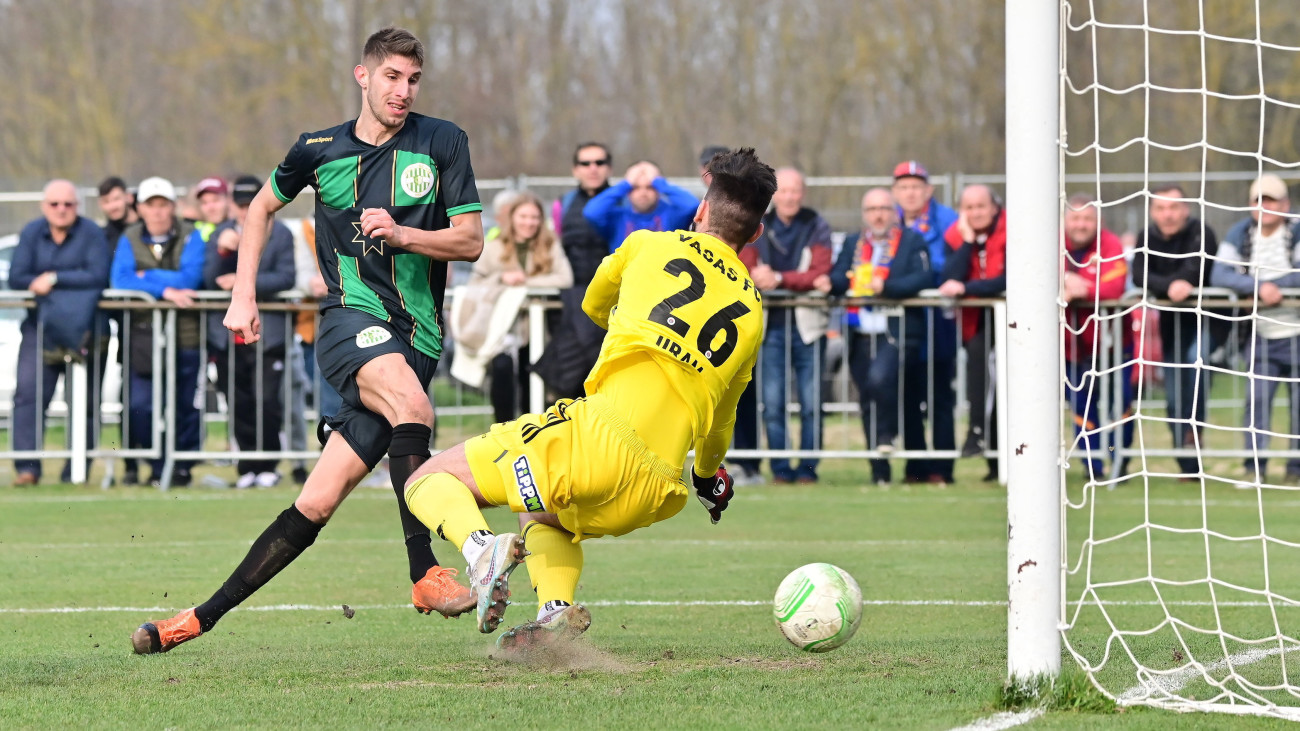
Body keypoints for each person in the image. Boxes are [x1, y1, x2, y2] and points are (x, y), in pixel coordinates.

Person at [131, 28, 484, 654]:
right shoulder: (318, 148)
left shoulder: (443, 142)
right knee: (416, 410)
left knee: (315, 504)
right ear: (363, 77)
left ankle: (193, 619)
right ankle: (424, 571)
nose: (402, 91)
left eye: (413, 80)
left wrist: (403, 235)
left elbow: (470, 241)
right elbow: (260, 208)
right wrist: (242, 296)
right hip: (349, 319)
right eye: (392, 78)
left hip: (418, 338)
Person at [402, 147, 776, 648]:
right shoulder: (752, 311)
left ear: (701, 210)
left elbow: (594, 303)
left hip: (599, 436)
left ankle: (479, 550)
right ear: (755, 234)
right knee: (543, 513)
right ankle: (555, 611)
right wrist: (707, 479)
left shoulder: (648, 244)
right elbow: (721, 420)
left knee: (426, 479)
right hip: (657, 487)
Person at [815, 188, 932, 485]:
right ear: (864, 214)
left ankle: (887, 437)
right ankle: (879, 472)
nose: (878, 214)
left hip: (896, 332)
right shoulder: (854, 242)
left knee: (882, 381)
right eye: (871, 209)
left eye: (883, 208)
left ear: (894, 212)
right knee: (867, 398)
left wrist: (886, 286)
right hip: (859, 331)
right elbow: (841, 275)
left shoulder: (911, 240)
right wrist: (831, 282)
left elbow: (923, 277)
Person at [9, 180, 111, 485]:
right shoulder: (31, 232)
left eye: (67, 204)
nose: (61, 210)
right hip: (40, 329)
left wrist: (52, 278)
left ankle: (76, 472)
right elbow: (17, 276)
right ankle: (27, 468)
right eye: (54, 204)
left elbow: (97, 275)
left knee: (86, 403)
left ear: (77, 206)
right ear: (44, 206)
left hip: (86, 330)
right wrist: (66, 281)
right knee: (28, 396)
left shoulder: (92, 233)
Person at [110, 176, 205, 488]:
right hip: (143, 337)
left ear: (172, 207)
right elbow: (121, 280)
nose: (158, 212)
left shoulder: (191, 234)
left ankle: (181, 468)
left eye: (163, 204)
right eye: (151, 205)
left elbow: (190, 278)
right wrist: (165, 288)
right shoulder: (129, 236)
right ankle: (154, 465)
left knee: (182, 406)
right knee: (142, 405)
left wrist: (146, 275)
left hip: (185, 337)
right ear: (140, 208)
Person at [740, 167, 832, 484]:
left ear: (803, 193)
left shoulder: (816, 224)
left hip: (809, 325)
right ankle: (780, 468)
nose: (790, 197)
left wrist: (779, 279)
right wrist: (800, 281)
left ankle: (808, 469)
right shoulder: (757, 224)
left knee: (811, 403)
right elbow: (748, 267)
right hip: (769, 327)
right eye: (784, 190)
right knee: (774, 403)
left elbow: (821, 273)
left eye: (795, 190)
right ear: (773, 194)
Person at [204, 175, 297, 488]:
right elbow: (206, 280)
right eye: (240, 205)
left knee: (267, 400)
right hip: (229, 336)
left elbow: (286, 278)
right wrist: (221, 253)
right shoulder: (221, 233)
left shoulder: (281, 234)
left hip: (267, 332)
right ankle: (247, 467)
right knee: (238, 401)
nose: (245, 211)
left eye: (250, 204)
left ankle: (268, 463)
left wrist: (243, 283)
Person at [1211, 174, 1300, 481]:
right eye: (1259, 200)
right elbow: (1219, 274)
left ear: (1285, 203)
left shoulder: (1296, 231)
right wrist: (1258, 287)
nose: (1265, 206)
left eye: (1272, 200)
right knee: (1257, 403)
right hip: (1260, 335)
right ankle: (1254, 468)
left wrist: (1277, 287)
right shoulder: (1240, 233)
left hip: (1296, 333)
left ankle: (1295, 469)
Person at [1131, 183, 1218, 477]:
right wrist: (1170, 286)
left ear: (1186, 209)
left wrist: (1185, 281)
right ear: (1152, 211)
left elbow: (1199, 268)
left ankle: (1195, 445)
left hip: (1207, 321)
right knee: (1173, 395)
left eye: (1173, 207)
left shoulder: (1201, 232)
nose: (1167, 215)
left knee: (1196, 372)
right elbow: (1140, 274)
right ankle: (1186, 463)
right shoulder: (1147, 237)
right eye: (1160, 208)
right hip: (1171, 326)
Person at [469, 192, 572, 422]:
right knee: (502, 373)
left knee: (533, 382)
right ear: (512, 218)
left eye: (534, 217)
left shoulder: (550, 245)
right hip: (502, 330)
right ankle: (502, 432)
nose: (529, 222)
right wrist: (501, 279)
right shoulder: (494, 246)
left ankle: (531, 434)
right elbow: (475, 283)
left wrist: (525, 281)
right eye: (523, 216)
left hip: (539, 330)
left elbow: (564, 278)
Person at [892, 161, 958, 485]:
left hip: (939, 321)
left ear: (928, 190)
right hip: (903, 324)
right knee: (907, 396)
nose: (910, 193)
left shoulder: (947, 220)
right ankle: (915, 467)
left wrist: (920, 277)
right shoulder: (889, 219)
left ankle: (943, 468)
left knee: (940, 398)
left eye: (916, 186)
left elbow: (947, 265)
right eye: (903, 186)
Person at [532, 143, 614, 400]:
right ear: (575, 169)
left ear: (608, 167)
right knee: (570, 371)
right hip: (569, 299)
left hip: (613, 298)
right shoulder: (563, 205)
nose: (593, 169)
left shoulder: (621, 201)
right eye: (586, 163)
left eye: (599, 163)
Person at [1062, 193, 1134, 480]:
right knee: (1080, 405)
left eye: (1087, 218)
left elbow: (1114, 287)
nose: (1081, 224)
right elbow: (1036, 275)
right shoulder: (1050, 243)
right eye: (1075, 217)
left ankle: (1119, 461)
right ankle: (1093, 466)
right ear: (1065, 220)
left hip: (1114, 344)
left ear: (1097, 221)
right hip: (1072, 347)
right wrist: (1065, 279)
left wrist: (1084, 288)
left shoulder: (1110, 243)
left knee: (1120, 404)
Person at [939, 184, 1007, 480]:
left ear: (994, 207)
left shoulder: (1013, 230)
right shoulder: (955, 236)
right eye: (969, 207)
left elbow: (1007, 278)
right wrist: (967, 243)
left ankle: (1004, 456)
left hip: (1012, 321)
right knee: (981, 383)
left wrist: (968, 288)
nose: (976, 212)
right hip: (976, 323)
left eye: (981, 206)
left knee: (1008, 391)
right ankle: (984, 446)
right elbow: (948, 278)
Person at [583, 160, 700, 252]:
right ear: (627, 191)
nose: (643, 193)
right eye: (635, 187)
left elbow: (691, 205)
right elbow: (591, 212)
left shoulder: (670, 214)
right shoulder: (617, 218)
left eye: (650, 187)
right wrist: (626, 184)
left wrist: (658, 182)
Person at [97, 176, 137, 248]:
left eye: (116, 199)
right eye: (106, 201)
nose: (112, 206)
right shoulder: (104, 239)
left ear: (129, 198)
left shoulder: (149, 226)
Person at [193, 176, 231, 243]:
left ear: (228, 200)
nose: (210, 207)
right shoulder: (190, 233)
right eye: (204, 202)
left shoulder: (240, 230)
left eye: (215, 200)